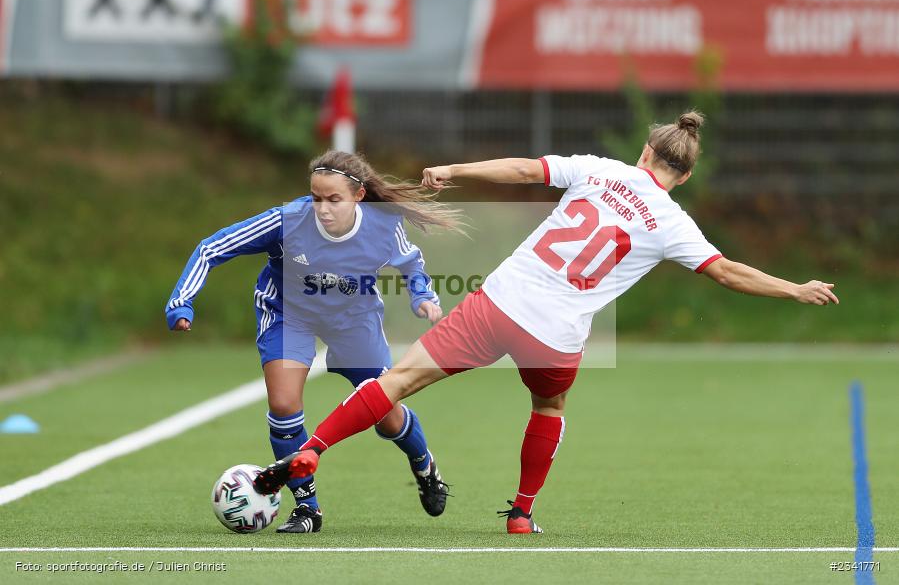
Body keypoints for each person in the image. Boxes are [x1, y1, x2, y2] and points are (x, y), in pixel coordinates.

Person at [253, 112, 839, 534]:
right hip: (555, 337)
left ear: (644, 153)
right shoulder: (672, 221)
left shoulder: (598, 170)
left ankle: (314, 448)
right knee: (548, 409)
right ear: (682, 175)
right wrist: (796, 288)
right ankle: (521, 512)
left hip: (499, 304)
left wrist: (454, 169)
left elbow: (519, 170)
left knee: (396, 382)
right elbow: (727, 272)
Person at [166, 150, 461, 533]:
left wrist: (422, 296)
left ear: (358, 195)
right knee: (284, 403)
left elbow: (410, 263)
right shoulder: (288, 220)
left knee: (387, 417)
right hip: (290, 314)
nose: (322, 208)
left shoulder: (384, 225)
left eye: (333, 199)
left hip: (353, 317)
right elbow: (213, 247)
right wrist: (181, 301)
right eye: (317, 197)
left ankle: (425, 467)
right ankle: (308, 508)